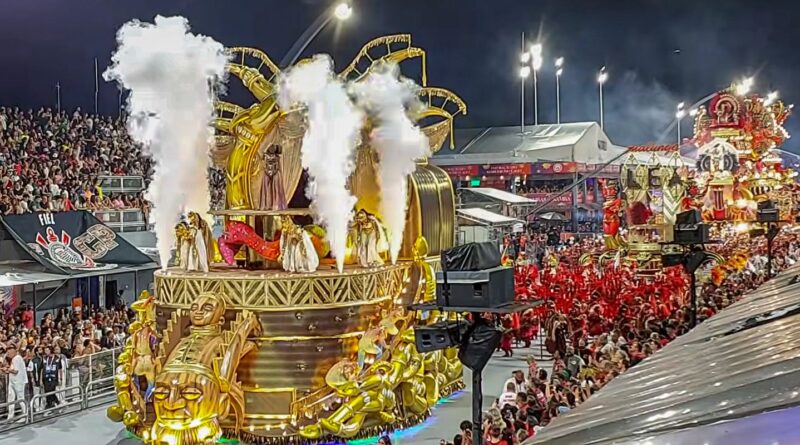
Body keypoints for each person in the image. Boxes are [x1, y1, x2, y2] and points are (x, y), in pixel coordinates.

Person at [2, 344, 29, 421]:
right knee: (11, 399)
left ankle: (25, 416)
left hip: (19, 382)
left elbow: (15, 371)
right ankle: (10, 417)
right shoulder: (13, 359)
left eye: (9, 350)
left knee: (21, 399)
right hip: (12, 381)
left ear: (14, 350)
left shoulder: (17, 358)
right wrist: (7, 368)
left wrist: (6, 370)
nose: (8, 353)